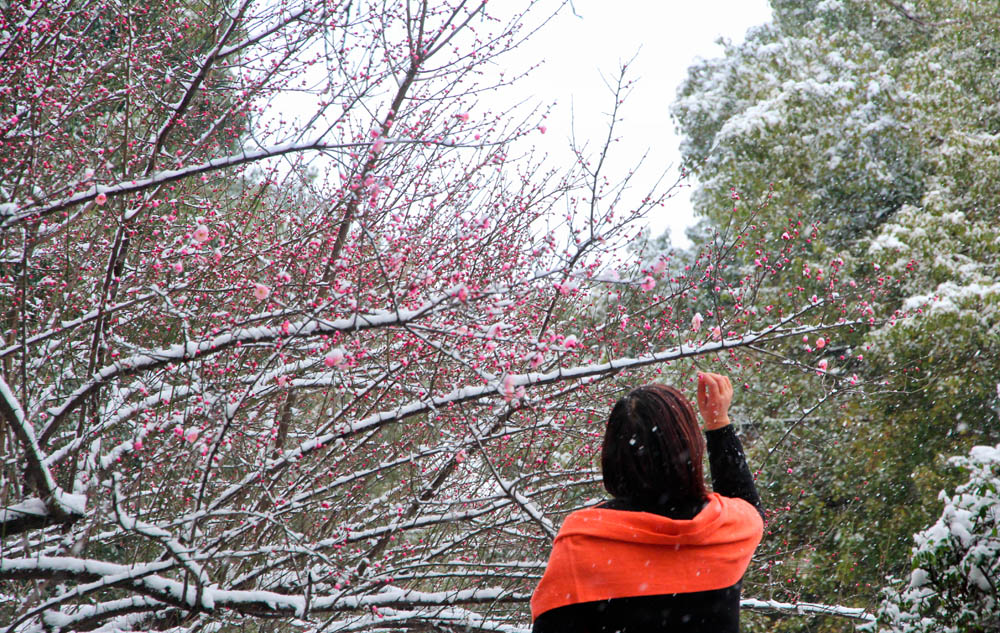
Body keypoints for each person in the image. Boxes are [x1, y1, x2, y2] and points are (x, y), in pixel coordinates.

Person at [531, 373, 764, 632]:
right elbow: (749, 507)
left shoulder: (583, 541)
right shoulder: (722, 530)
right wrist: (718, 424)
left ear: (612, 454)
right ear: (689, 447)